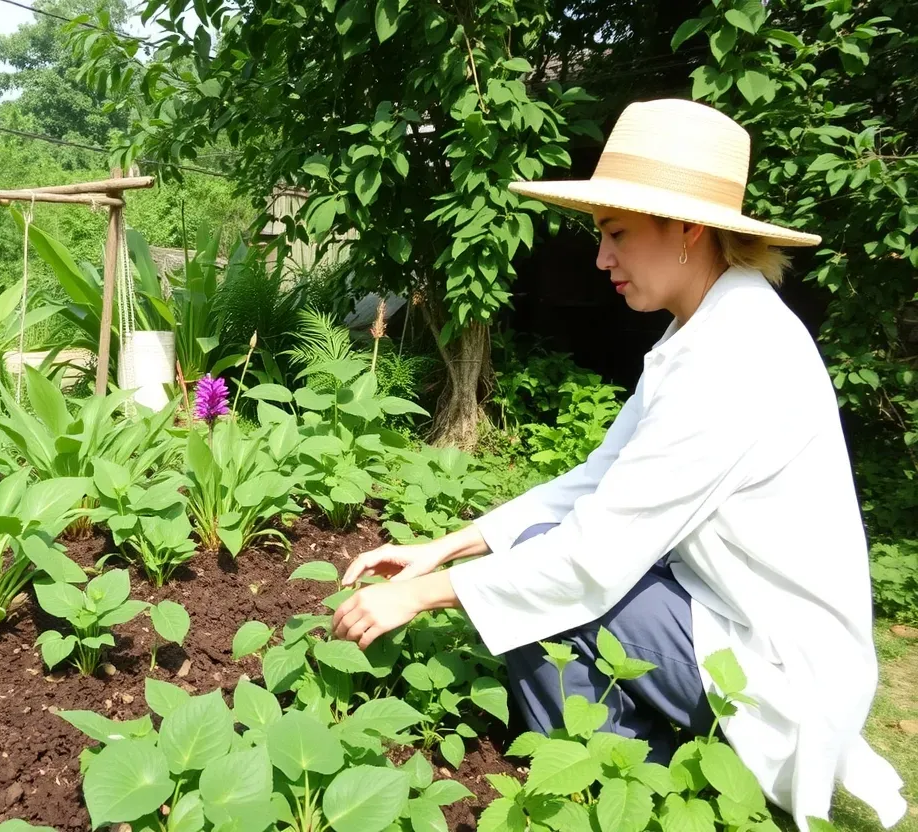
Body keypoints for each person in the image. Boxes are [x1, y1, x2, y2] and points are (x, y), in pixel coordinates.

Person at [331, 99, 907, 829]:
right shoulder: (705, 328)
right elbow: (596, 482)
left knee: (549, 597)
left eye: (616, 234)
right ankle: (636, 769)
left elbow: (591, 559)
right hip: (724, 616)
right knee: (535, 567)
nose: (601, 258)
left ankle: (608, 787)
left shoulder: (735, 356)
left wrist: (417, 598)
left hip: (776, 665)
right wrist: (442, 549)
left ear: (690, 230)